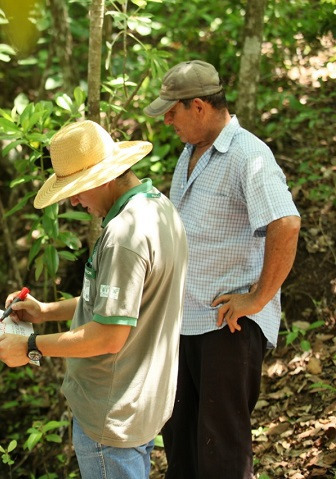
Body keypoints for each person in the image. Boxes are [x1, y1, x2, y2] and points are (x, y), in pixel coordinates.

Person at [0, 120, 188, 479]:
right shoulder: (159, 209)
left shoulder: (124, 235)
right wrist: (45, 311)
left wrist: (30, 346)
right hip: (138, 405)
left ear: (105, 176)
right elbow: (119, 307)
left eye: (77, 190)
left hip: (111, 415)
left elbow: (108, 335)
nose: (74, 200)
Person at [143, 60, 301, 479]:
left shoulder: (248, 154)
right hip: (186, 322)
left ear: (198, 106)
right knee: (182, 447)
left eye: (172, 112)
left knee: (222, 454)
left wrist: (258, 298)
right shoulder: (190, 153)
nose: (167, 121)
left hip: (227, 326)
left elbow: (285, 223)